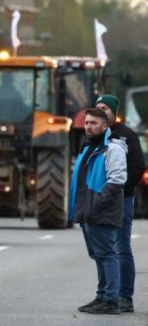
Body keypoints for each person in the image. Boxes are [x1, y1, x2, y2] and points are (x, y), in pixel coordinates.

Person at [70, 107, 127, 315]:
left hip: (101, 211)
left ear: (105, 126)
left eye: (93, 123)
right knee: (99, 256)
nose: (88, 127)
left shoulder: (113, 149)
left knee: (107, 255)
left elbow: (117, 180)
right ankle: (102, 295)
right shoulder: (89, 148)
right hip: (89, 211)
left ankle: (111, 299)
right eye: (86, 123)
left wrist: (96, 205)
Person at [95, 94, 145, 313]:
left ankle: (125, 297)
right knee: (103, 250)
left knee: (121, 247)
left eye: (105, 107)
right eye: (97, 108)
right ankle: (106, 295)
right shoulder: (95, 134)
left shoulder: (127, 135)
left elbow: (137, 166)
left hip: (122, 199)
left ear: (114, 112)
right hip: (99, 201)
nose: (101, 111)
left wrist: (120, 191)